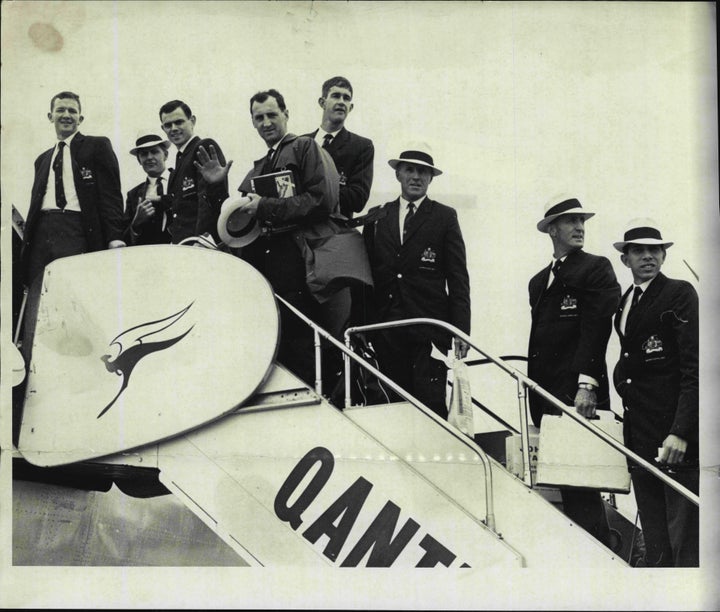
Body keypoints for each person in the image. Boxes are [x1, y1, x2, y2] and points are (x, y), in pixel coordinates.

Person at [196, 89, 340, 386]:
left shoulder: (304, 148)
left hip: (301, 268)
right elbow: (233, 225)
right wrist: (216, 188)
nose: (266, 122)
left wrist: (265, 206)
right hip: (266, 275)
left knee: (306, 355)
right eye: (258, 117)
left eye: (272, 115)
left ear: (287, 114)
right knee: (276, 353)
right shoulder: (257, 168)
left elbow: (321, 200)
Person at [527, 196, 621, 549]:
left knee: (582, 487)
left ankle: (601, 557)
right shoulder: (539, 282)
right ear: (552, 229)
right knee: (565, 488)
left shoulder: (596, 268)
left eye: (582, 221)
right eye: (570, 221)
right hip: (545, 396)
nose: (580, 227)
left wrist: (587, 384)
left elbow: (597, 330)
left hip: (577, 395)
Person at [612, 218, 698, 567]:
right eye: (638, 251)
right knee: (656, 541)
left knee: (685, 542)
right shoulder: (626, 301)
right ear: (625, 259)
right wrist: (620, 384)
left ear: (663, 255)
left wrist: (680, 432)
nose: (648, 256)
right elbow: (628, 362)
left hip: (674, 440)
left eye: (654, 250)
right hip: (640, 437)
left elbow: (694, 369)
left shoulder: (679, 293)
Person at [362, 145, 471, 419]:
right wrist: (364, 327)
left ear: (431, 178)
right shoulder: (377, 217)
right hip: (387, 328)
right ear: (398, 174)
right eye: (409, 169)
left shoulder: (445, 216)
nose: (416, 176)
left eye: (423, 171)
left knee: (429, 405)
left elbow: (458, 278)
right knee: (391, 407)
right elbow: (366, 277)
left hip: (429, 329)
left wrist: (461, 330)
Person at [21, 91, 126, 287]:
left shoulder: (97, 146)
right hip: (41, 234)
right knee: (39, 290)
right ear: (50, 116)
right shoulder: (42, 160)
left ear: (81, 118)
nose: (67, 115)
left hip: (77, 229)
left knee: (75, 287)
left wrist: (115, 237)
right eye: (60, 110)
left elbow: (111, 197)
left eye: (72, 111)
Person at [159, 100, 229, 244]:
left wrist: (202, 239)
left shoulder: (202, 147)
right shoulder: (179, 161)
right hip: (182, 245)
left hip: (200, 244)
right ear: (163, 128)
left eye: (179, 122)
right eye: (168, 125)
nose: (173, 128)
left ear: (192, 121)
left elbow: (206, 200)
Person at [307, 76, 374, 220]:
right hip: (296, 231)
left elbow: (358, 199)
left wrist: (307, 194)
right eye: (336, 96)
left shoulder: (362, 146)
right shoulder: (301, 143)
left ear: (351, 107)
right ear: (322, 102)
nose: (341, 102)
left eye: (346, 98)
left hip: (334, 232)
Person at [124, 132, 172, 245]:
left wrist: (163, 200)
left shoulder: (180, 180)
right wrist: (136, 223)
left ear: (165, 155)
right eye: (144, 154)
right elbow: (124, 238)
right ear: (139, 160)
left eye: (154, 152)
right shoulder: (133, 195)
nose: (149, 157)